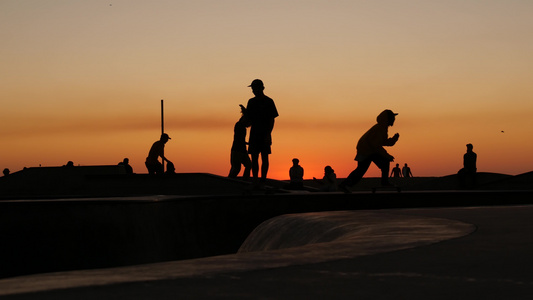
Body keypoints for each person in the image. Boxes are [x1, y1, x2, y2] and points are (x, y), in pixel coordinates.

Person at [339, 109, 400, 193]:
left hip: (368, 150)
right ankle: (384, 182)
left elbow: (382, 142)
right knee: (365, 169)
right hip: (367, 150)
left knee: (361, 170)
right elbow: (376, 146)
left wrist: (393, 140)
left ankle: (344, 185)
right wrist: (387, 155)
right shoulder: (379, 128)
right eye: (393, 118)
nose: (394, 120)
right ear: (388, 119)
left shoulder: (382, 128)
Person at [244, 79, 279, 186]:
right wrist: (245, 114)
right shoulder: (251, 102)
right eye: (253, 89)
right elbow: (248, 121)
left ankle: (263, 179)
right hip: (254, 134)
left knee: (264, 157)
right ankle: (255, 179)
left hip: (264, 134)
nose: (254, 91)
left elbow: (272, 119)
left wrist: (268, 134)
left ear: (262, 88)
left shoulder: (269, 101)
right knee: (254, 158)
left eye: (255, 88)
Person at [228, 105, 252, 178]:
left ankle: (244, 180)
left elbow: (241, 140)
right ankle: (229, 181)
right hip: (237, 150)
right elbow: (239, 139)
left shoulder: (241, 126)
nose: (249, 125)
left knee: (248, 165)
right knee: (236, 168)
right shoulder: (239, 125)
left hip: (241, 150)